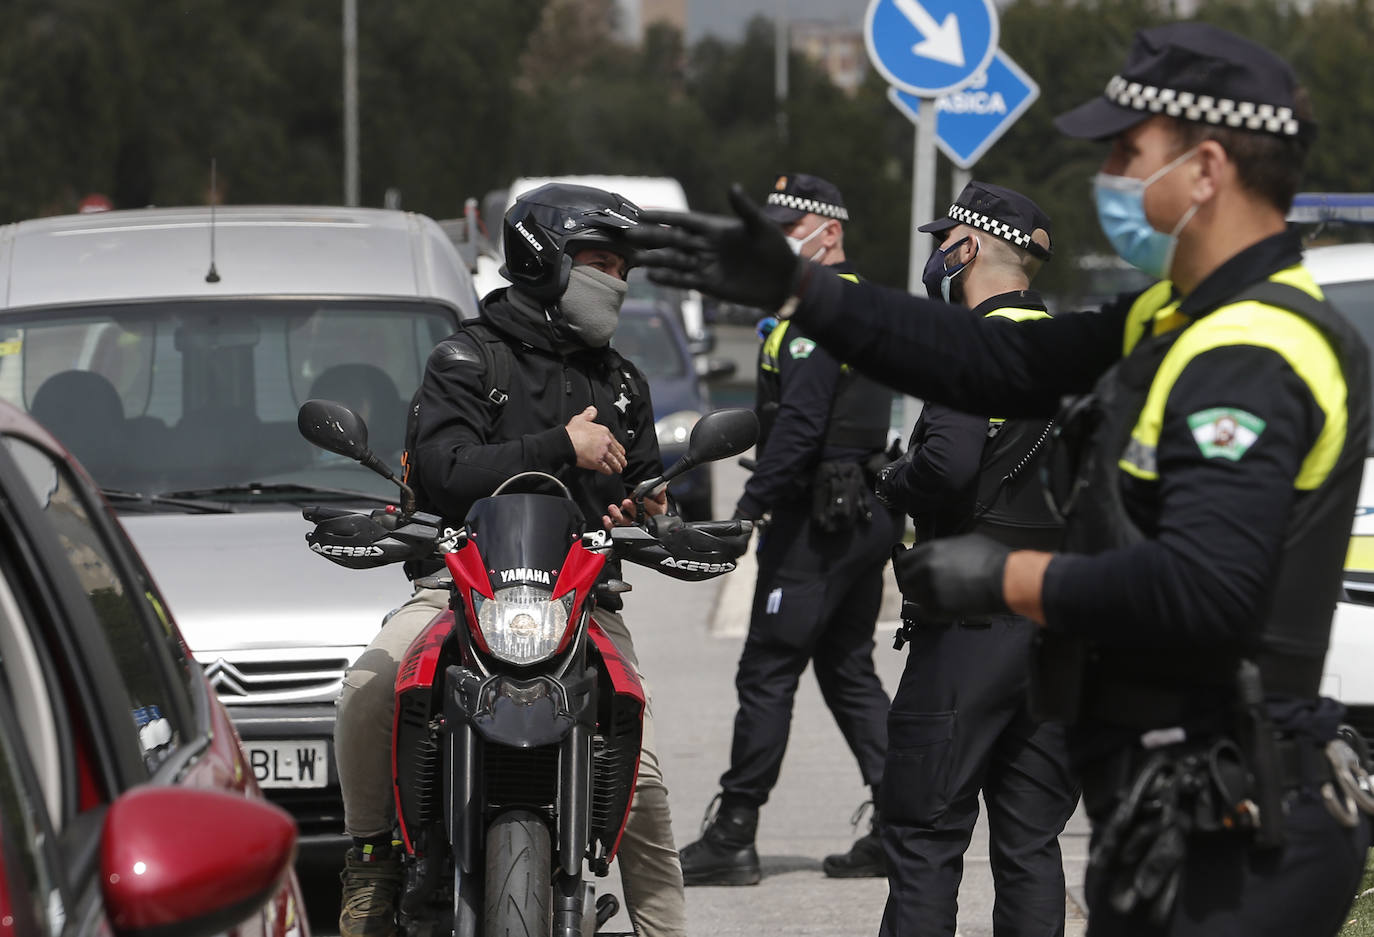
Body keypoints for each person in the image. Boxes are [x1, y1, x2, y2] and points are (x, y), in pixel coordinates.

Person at [628, 22, 1373, 937]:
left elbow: (1207, 585)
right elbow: (989, 362)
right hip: (1185, 804)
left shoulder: (1255, 349)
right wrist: (804, 291)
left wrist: (1006, 578)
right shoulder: (1178, 315)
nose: (1109, 173)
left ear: (1207, 167)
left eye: (1127, 150)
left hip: (1243, 831)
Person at [334, 183, 686, 937]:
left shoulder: (623, 382)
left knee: (646, 782)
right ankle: (370, 861)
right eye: (599, 261)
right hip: (461, 588)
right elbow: (443, 471)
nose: (616, 281)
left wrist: (650, 510)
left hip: (581, 601)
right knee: (367, 687)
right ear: (544, 259)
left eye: (623, 267)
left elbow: (646, 484)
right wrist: (563, 444)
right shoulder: (466, 357)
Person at [678, 173, 900, 886]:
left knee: (768, 669)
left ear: (828, 232)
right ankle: (902, 821)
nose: (777, 242)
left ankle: (734, 832)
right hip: (861, 515)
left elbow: (801, 428)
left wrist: (749, 509)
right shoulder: (849, 305)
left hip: (820, 523)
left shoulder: (817, 320)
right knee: (847, 667)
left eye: (789, 228)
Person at [873, 181, 1078, 936]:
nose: (935, 258)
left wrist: (894, 478)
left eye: (942, 243)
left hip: (969, 628)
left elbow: (948, 467)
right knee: (1030, 841)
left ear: (965, 250)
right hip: (1055, 628)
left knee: (927, 833)